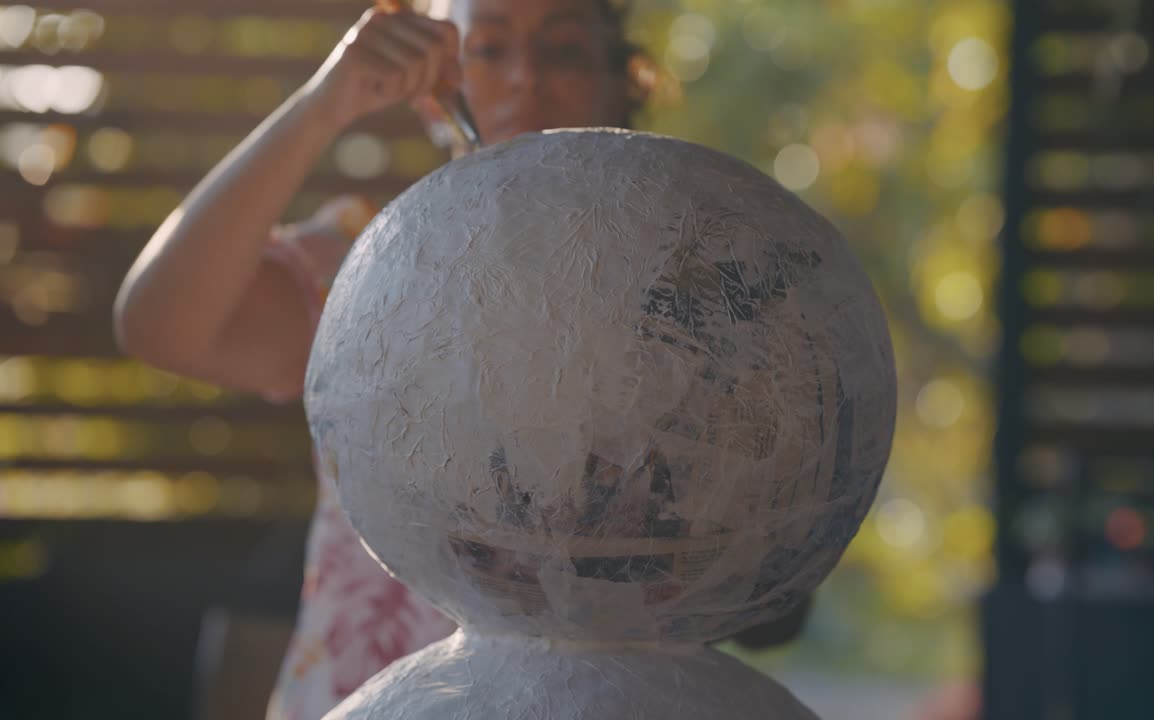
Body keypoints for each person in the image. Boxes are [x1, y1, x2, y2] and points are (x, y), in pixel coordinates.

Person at [115, 1, 807, 717]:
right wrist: (323, 105)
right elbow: (159, 326)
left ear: (624, 83)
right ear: (435, 94)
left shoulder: (688, 292)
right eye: (489, 49)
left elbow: (770, 564)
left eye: (565, 51)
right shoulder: (374, 268)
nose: (526, 77)